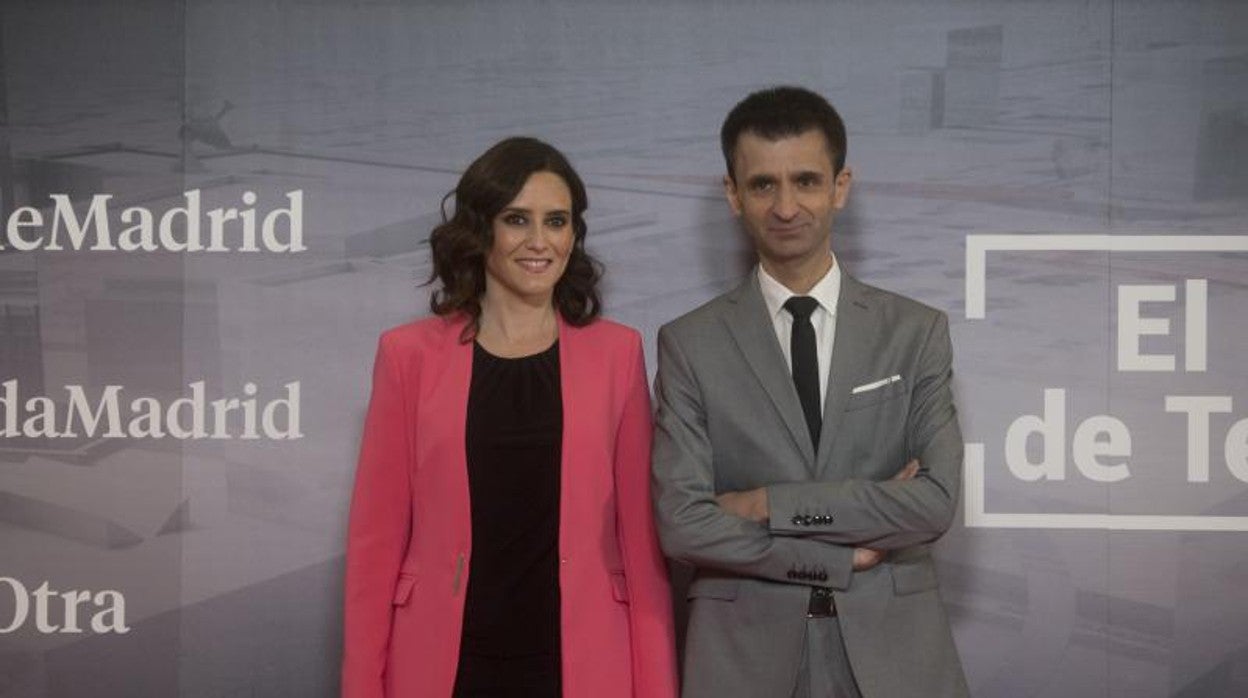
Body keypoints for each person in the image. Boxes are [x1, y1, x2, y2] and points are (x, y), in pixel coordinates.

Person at [652, 86, 968, 697]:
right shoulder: (688, 343)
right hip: (744, 658)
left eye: (806, 180)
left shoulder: (916, 331)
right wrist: (835, 557)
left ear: (840, 187)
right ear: (733, 194)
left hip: (895, 655)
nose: (786, 205)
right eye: (763, 184)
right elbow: (684, 526)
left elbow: (933, 503)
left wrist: (768, 502)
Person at [342, 137, 678, 698]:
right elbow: (375, 544)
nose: (539, 241)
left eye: (557, 220)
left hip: (582, 659)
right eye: (517, 219)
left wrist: (656, 689)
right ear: (481, 231)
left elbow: (642, 546)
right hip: (444, 659)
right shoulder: (407, 356)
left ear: (575, 233)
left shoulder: (617, 354)